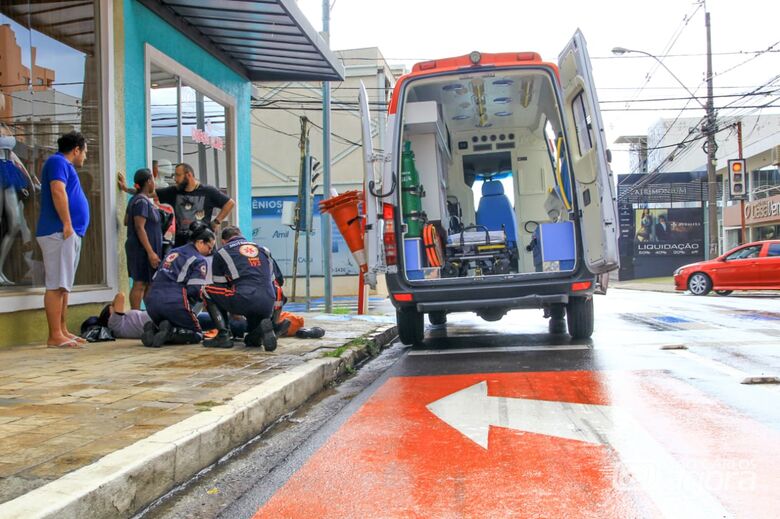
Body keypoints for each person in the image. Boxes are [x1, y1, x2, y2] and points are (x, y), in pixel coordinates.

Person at [36, 131, 90, 349]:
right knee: (56, 284)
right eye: (84, 152)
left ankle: (63, 330)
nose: (85, 157)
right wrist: (67, 223)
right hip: (58, 232)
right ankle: (54, 334)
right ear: (76, 150)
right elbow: (58, 191)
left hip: (67, 233)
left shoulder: (63, 165)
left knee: (64, 285)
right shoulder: (57, 162)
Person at [201, 226, 280, 350]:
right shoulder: (264, 250)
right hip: (268, 301)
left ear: (223, 241)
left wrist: (232, 311)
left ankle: (223, 335)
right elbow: (277, 281)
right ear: (241, 235)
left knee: (207, 290)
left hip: (244, 299)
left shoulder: (222, 252)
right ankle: (257, 333)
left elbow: (219, 285)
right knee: (251, 340)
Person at [142, 221, 215, 347]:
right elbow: (194, 290)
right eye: (209, 247)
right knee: (196, 334)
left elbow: (155, 278)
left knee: (171, 320)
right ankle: (171, 333)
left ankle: (154, 329)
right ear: (200, 242)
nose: (210, 252)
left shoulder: (172, 252)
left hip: (152, 302)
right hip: (174, 302)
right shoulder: (199, 260)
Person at [156, 163, 235, 247]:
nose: (175, 179)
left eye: (178, 175)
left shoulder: (208, 191)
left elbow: (230, 203)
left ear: (189, 175)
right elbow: (151, 194)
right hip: (181, 243)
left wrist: (217, 221)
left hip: (202, 243)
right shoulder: (174, 191)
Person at [0, 122, 39, 285]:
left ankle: (0, 269)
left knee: (14, 223)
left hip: (9, 169)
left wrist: (28, 179)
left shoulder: (5, 126)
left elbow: (13, 156)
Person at [125, 168, 163, 309]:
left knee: (149, 283)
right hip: (141, 249)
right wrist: (150, 252)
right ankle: (134, 317)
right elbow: (139, 227)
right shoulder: (141, 202)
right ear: (148, 181)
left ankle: (149, 315)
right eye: (153, 179)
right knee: (140, 283)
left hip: (145, 248)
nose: (154, 182)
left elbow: (125, 221)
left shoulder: (139, 200)